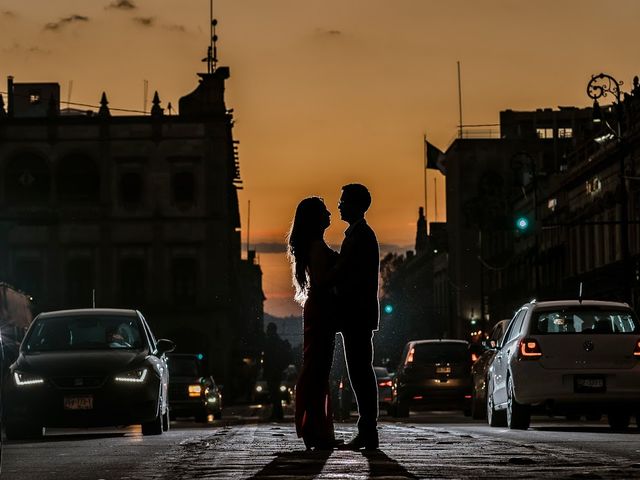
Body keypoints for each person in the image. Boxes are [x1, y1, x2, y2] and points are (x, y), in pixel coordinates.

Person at [287, 196, 341, 450]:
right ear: (316, 219)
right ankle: (316, 429)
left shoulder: (312, 246)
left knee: (316, 369)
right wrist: (344, 266)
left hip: (317, 309)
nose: (330, 214)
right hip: (321, 309)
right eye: (324, 211)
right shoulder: (317, 247)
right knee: (318, 369)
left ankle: (316, 428)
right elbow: (322, 278)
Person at [333, 183, 380, 450]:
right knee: (359, 372)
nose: (339, 206)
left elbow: (353, 277)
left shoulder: (362, 236)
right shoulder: (357, 234)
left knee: (360, 373)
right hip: (356, 315)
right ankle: (366, 430)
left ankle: (368, 431)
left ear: (354, 205)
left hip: (357, 315)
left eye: (343, 201)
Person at [262, 322, 292, 420]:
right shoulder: (276, 341)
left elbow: (268, 358)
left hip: (273, 371)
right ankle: (277, 413)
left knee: (274, 393)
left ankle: (277, 413)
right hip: (276, 371)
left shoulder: (271, 342)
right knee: (275, 393)